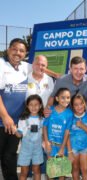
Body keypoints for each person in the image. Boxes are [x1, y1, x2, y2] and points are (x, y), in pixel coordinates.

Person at [0, 38, 31, 179]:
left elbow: (40, 67)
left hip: (15, 124)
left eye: (22, 51)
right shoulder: (1, 64)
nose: (18, 53)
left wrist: (56, 75)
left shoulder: (25, 66)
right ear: (8, 49)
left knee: (10, 156)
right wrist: (5, 117)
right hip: (2, 122)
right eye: (15, 49)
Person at [43, 88, 73, 180]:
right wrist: (47, 142)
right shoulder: (50, 110)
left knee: (61, 171)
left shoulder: (69, 114)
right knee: (51, 171)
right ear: (57, 98)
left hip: (61, 147)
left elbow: (67, 132)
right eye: (63, 98)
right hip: (50, 146)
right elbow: (44, 127)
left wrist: (63, 148)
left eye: (68, 97)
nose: (66, 100)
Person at [12, 95, 44, 180]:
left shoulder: (42, 119)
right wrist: (15, 131)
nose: (33, 107)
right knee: (23, 172)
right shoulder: (23, 119)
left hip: (37, 150)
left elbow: (44, 135)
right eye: (31, 104)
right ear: (27, 106)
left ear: (40, 105)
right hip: (25, 150)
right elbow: (20, 135)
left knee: (37, 171)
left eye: (36, 104)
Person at [68, 94, 87, 180]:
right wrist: (69, 151)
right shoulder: (70, 117)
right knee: (75, 169)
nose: (79, 106)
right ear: (72, 106)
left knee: (85, 169)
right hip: (73, 148)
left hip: (85, 147)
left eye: (81, 103)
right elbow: (66, 134)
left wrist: (82, 125)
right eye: (76, 104)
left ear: (85, 104)